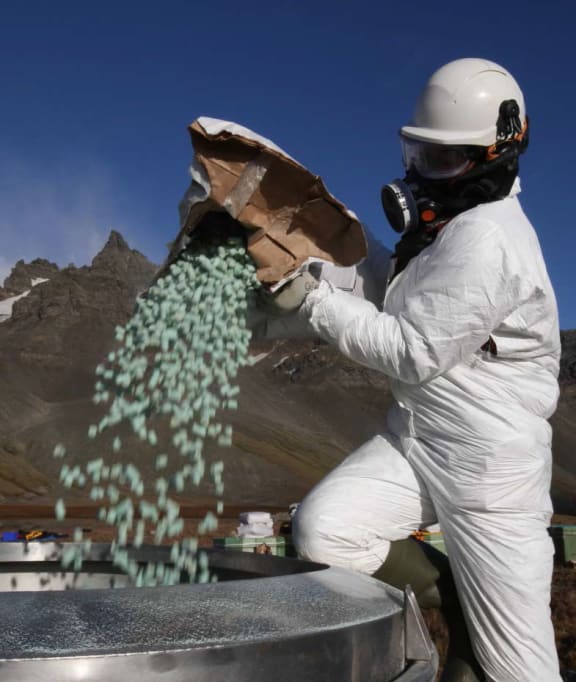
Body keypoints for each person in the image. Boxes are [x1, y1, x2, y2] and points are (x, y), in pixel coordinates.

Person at [271, 58, 562, 681]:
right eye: (418, 154)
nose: (423, 174)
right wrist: (335, 248)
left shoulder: (491, 239)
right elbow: (398, 291)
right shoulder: (448, 229)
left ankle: (477, 610)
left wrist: (317, 303)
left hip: (491, 474)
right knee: (323, 533)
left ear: (495, 156)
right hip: (419, 439)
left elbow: (411, 349)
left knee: (521, 672)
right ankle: (453, 590)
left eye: (442, 160)